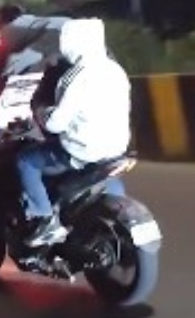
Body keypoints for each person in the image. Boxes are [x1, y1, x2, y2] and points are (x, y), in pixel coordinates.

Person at [16, 18, 132, 246]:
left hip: (81, 151)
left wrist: (43, 113)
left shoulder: (76, 76)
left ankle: (43, 219)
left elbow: (55, 124)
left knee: (25, 161)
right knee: (107, 175)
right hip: (115, 148)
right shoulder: (115, 70)